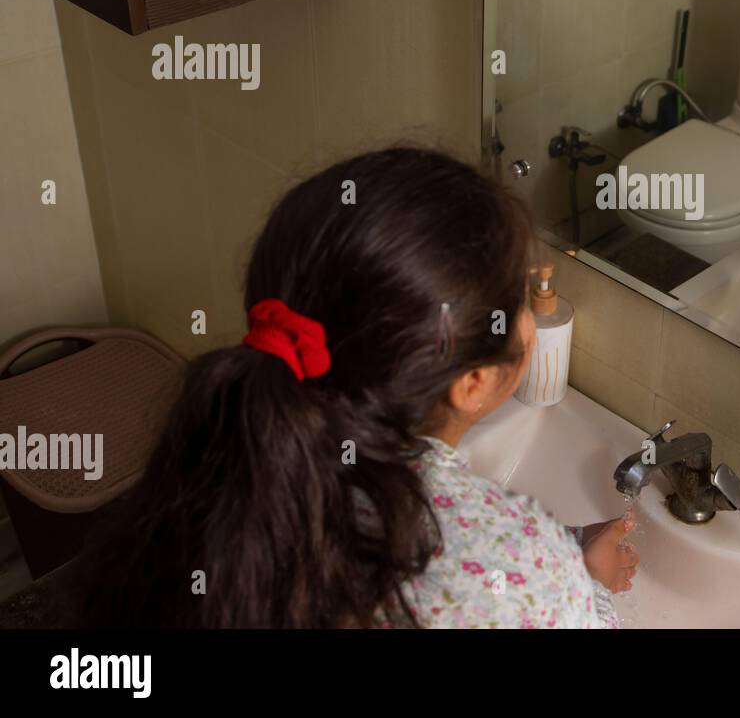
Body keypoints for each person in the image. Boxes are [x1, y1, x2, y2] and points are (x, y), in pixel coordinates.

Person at [80, 145, 637, 627]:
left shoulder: (214, 471)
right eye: (520, 300)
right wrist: (582, 578)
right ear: (473, 382)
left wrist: (565, 543)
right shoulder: (526, 571)